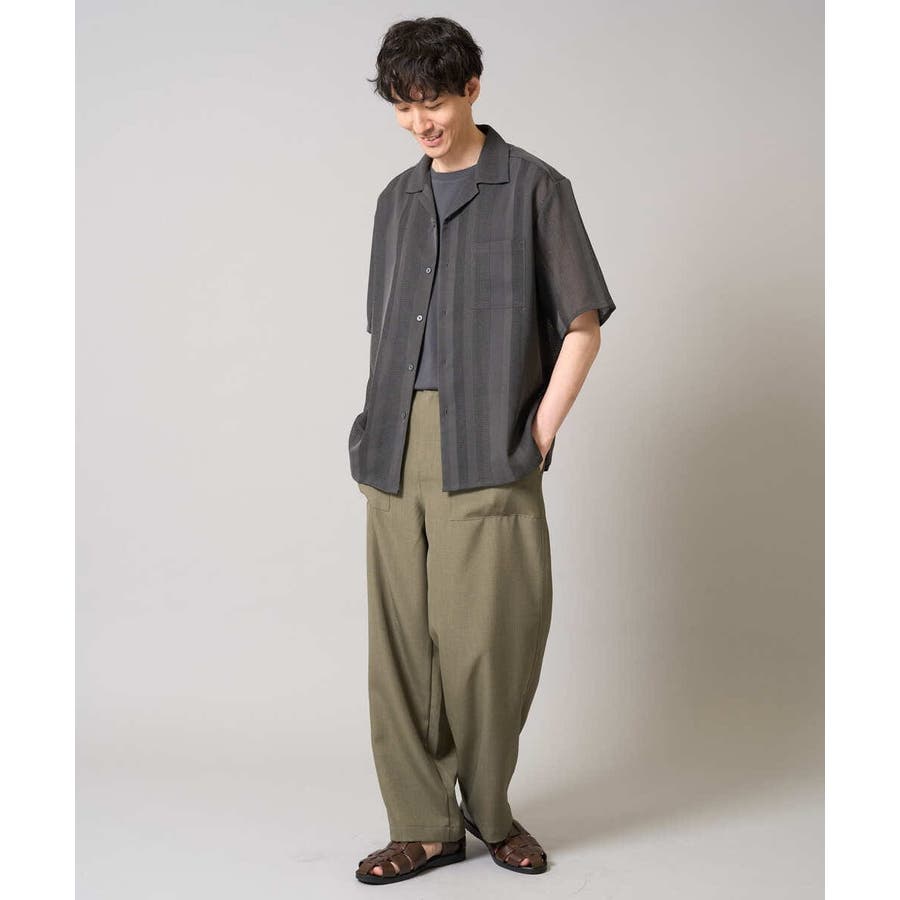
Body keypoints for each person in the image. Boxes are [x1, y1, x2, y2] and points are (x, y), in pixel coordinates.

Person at [350, 16, 616, 885]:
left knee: (487, 650)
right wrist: (372, 430)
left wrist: (538, 432)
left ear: (471, 89)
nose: (418, 121)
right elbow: (384, 331)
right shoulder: (394, 201)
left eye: (431, 101)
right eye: (402, 106)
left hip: (489, 445)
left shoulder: (534, 188)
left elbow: (582, 325)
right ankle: (423, 827)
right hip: (394, 447)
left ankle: (491, 814)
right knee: (401, 654)